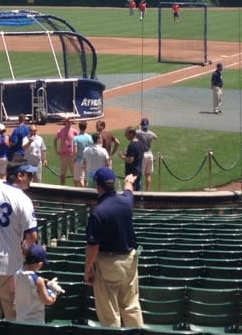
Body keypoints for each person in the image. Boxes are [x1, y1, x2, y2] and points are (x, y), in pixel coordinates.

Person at [84, 167, 143, 327]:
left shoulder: (98, 213)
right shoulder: (126, 203)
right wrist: (128, 182)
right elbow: (129, 192)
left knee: (110, 315)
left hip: (107, 265)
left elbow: (93, 247)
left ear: (98, 186)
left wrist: (88, 269)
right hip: (129, 261)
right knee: (131, 307)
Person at [0, 159, 39, 320]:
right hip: (11, 265)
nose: (31, 177)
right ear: (19, 175)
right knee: (13, 314)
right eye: (29, 174)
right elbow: (32, 236)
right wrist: (26, 249)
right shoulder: (23, 199)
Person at [13, 244, 58, 323]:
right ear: (39, 264)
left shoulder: (16, 273)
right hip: (35, 323)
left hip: (20, 320)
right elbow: (47, 301)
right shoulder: (38, 281)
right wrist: (55, 292)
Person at [53, 119, 78, 186]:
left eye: (70, 122)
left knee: (74, 174)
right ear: (65, 122)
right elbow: (55, 140)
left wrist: (76, 152)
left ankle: (76, 189)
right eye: (68, 122)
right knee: (62, 174)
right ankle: (62, 187)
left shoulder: (75, 131)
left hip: (71, 155)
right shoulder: (61, 131)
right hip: (63, 156)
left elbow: (78, 141)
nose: (69, 123)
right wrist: (56, 150)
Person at [122, 127, 146, 191]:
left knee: (131, 191)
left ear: (131, 134)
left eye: (126, 134)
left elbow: (130, 160)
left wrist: (122, 157)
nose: (125, 136)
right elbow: (141, 156)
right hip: (139, 171)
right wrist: (127, 153)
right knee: (138, 191)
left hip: (132, 173)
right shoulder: (140, 143)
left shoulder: (132, 145)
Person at [135, 119, 157, 186]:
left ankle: (138, 191)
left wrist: (139, 128)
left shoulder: (138, 132)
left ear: (141, 125)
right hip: (150, 154)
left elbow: (134, 133)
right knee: (148, 175)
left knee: (139, 174)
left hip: (142, 155)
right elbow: (156, 137)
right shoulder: (151, 133)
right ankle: (148, 192)